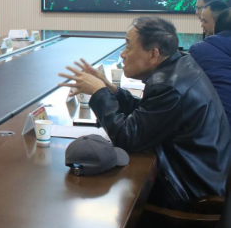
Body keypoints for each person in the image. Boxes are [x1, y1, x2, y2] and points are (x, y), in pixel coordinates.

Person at [58, 17, 230, 211]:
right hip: (203, 179)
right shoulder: (179, 67)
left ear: (153, 54)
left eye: (128, 46)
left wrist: (99, 94)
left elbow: (126, 138)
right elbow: (149, 114)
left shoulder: (169, 87)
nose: (122, 54)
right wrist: (112, 90)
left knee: (101, 201)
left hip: (191, 198)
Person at [190, 8, 231, 129]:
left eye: (205, 21)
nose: (202, 25)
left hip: (216, 129)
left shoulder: (199, 50)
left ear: (215, 27)